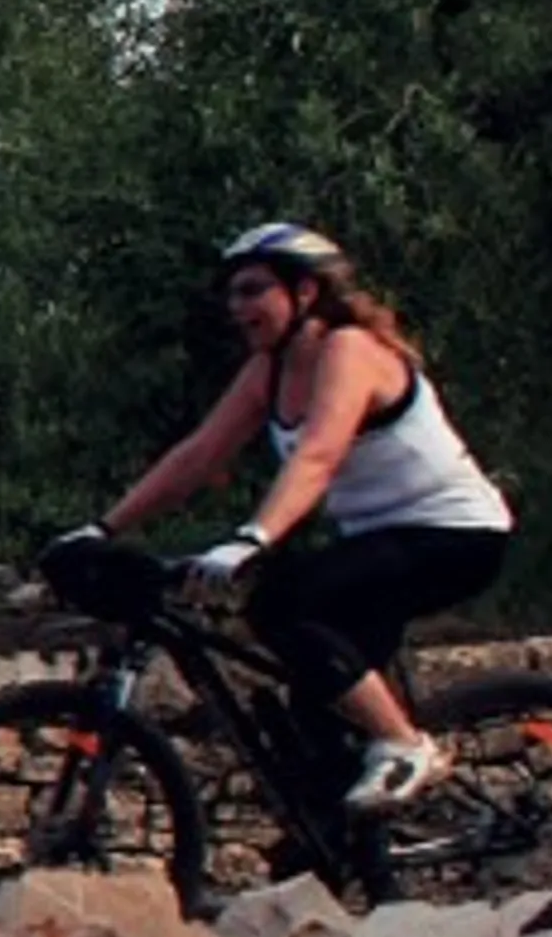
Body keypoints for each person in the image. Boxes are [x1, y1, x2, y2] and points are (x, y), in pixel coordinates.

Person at [69, 220, 514, 812]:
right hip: (379, 541)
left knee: (281, 601)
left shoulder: (350, 349)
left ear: (305, 293)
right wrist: (102, 529)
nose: (237, 306)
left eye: (253, 290)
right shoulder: (268, 372)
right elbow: (198, 456)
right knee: (313, 702)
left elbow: (320, 453)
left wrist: (254, 537)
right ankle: (347, 853)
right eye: (232, 294)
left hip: (455, 535)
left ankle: (405, 744)